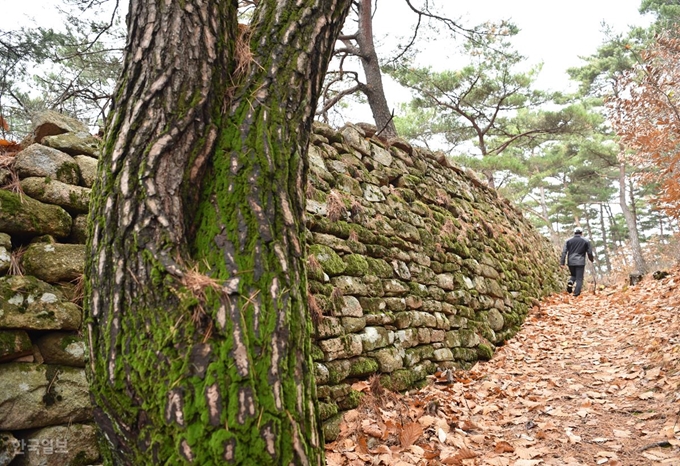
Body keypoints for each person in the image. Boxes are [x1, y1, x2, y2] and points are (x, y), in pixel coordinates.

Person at [559, 227, 594, 297]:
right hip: (580, 262)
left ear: (574, 233)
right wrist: (591, 259)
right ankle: (576, 293)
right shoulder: (586, 241)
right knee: (579, 278)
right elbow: (589, 252)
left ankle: (570, 282)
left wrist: (562, 262)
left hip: (571, 261)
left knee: (573, 275)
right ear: (581, 233)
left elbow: (564, 252)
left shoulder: (568, 241)